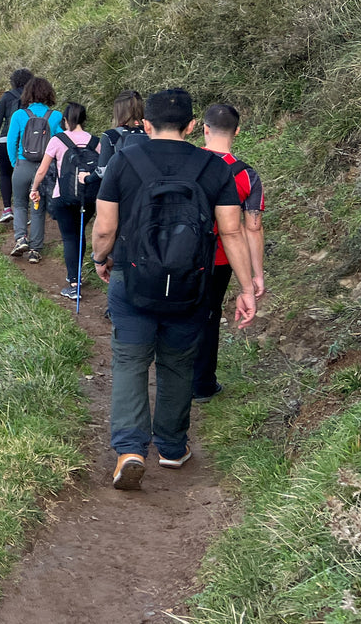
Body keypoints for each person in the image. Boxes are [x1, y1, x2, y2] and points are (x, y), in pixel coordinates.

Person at [91, 88, 257, 491]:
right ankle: (171, 447)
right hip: (191, 282)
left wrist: (100, 258)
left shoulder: (123, 160)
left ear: (145, 125)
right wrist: (247, 286)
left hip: (132, 278)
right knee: (178, 362)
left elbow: (105, 227)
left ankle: (130, 449)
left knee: (130, 362)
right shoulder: (214, 168)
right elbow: (232, 231)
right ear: (192, 126)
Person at [193, 103, 266, 401]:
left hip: (178, 253)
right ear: (237, 131)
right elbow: (253, 228)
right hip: (221, 258)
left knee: (178, 312)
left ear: (204, 129)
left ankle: (171, 377)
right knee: (210, 317)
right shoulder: (247, 175)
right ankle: (203, 385)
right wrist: (255, 274)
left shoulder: (187, 161)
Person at [32, 102, 100, 300]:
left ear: (65, 120)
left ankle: (73, 282)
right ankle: (76, 276)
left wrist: (34, 188)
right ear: (84, 119)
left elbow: (43, 170)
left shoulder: (57, 140)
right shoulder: (95, 142)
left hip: (63, 197)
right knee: (80, 234)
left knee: (69, 237)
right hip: (88, 197)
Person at [7, 77, 63, 264]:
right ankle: (35, 250)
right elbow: (61, 142)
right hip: (45, 168)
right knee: (38, 208)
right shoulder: (55, 116)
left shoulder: (19, 115)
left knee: (20, 203)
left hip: (23, 165)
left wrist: (16, 163)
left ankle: (21, 238)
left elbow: (11, 142)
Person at [0, 69, 33, 224]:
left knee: (5, 174)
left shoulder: (7, 97)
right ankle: (25, 212)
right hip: (27, 140)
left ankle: (7, 209)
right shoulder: (33, 97)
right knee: (26, 175)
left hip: (6, 140)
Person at [98, 89, 148, 177]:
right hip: (151, 187)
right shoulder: (152, 133)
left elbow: (102, 171)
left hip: (123, 188)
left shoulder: (111, 136)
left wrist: (87, 178)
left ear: (118, 111)